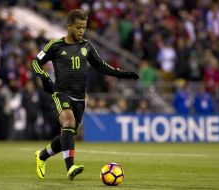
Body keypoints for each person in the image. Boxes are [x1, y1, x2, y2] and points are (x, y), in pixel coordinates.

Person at [32, 9, 139, 181]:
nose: (82, 31)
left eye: (84, 27)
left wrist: (123, 74)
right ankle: (70, 166)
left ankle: (42, 155)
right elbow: (35, 62)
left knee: (67, 135)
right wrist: (44, 76)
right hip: (61, 94)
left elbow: (102, 66)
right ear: (69, 27)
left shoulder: (87, 46)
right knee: (68, 121)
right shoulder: (55, 46)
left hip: (80, 98)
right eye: (78, 27)